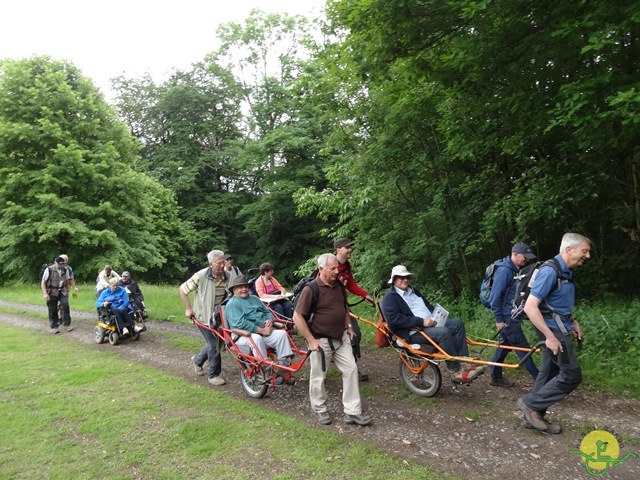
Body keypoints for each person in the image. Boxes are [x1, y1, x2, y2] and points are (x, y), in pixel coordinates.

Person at [517, 233, 590, 435]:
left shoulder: (564, 271)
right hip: (553, 330)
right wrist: (550, 337)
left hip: (560, 325)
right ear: (569, 249)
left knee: (549, 371)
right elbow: (531, 307)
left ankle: (532, 416)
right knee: (571, 374)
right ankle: (530, 404)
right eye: (584, 251)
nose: (588, 255)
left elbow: (556, 303)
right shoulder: (550, 271)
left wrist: (573, 321)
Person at [293, 253, 372, 426]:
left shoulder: (338, 286)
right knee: (318, 376)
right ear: (321, 269)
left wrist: (349, 327)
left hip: (341, 338)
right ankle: (319, 409)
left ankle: (352, 412)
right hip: (320, 341)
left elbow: (344, 307)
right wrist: (311, 341)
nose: (337, 271)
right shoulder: (311, 289)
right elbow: (297, 316)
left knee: (351, 370)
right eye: (333, 268)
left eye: (337, 267)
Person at [381, 265, 486, 384]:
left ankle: (464, 362)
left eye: (407, 277)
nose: (405, 279)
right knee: (444, 333)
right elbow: (394, 320)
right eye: (401, 277)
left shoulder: (414, 291)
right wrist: (421, 321)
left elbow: (428, 306)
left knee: (457, 323)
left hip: (429, 324)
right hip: (413, 331)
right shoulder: (390, 298)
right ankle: (455, 371)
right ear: (394, 279)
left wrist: (437, 315)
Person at [180, 250, 238, 386]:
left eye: (224, 262)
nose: (223, 266)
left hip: (219, 317)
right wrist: (189, 309)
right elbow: (183, 290)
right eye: (219, 263)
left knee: (217, 342)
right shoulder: (200, 276)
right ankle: (213, 375)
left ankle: (198, 360)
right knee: (214, 344)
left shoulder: (228, 276)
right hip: (203, 317)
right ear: (211, 263)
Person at [225, 275, 294, 384]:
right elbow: (239, 323)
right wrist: (262, 330)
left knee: (281, 334)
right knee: (256, 337)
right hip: (242, 336)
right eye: (240, 287)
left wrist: (269, 321)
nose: (244, 289)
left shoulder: (255, 299)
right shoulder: (232, 304)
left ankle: (283, 367)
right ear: (234, 290)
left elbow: (268, 312)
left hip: (263, 331)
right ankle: (265, 369)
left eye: (246, 286)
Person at [488, 242, 540, 387]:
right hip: (506, 317)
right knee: (523, 348)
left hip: (511, 315)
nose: (527, 260)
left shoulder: (514, 270)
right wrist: (499, 319)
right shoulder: (505, 271)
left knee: (504, 346)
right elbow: (494, 298)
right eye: (525, 257)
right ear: (515, 254)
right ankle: (539, 381)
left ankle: (495, 376)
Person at [333, 238, 374, 382]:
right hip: (329, 308)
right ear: (338, 250)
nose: (350, 249)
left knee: (354, 334)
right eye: (347, 247)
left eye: (350, 247)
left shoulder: (346, 266)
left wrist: (365, 295)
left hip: (342, 306)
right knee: (344, 336)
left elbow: (350, 284)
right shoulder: (330, 266)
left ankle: (352, 368)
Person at [41, 256, 71, 334]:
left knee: (65, 305)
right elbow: (43, 282)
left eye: (62, 264)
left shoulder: (65, 270)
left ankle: (67, 324)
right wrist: (45, 293)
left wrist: (67, 290)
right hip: (52, 291)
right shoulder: (49, 270)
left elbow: (67, 280)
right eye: (59, 264)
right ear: (55, 262)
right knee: (52, 309)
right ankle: (54, 326)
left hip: (62, 291)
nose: (60, 266)